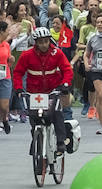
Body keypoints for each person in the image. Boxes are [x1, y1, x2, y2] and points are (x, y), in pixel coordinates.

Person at [12, 27, 74, 156]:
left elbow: (67, 69)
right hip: (34, 92)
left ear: (49, 40)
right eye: (40, 42)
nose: (44, 45)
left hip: (53, 90)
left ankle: (61, 142)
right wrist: (18, 87)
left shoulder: (57, 53)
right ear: (36, 42)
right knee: (34, 118)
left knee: (56, 114)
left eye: (46, 41)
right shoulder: (27, 55)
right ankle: (36, 140)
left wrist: (65, 84)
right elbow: (18, 73)